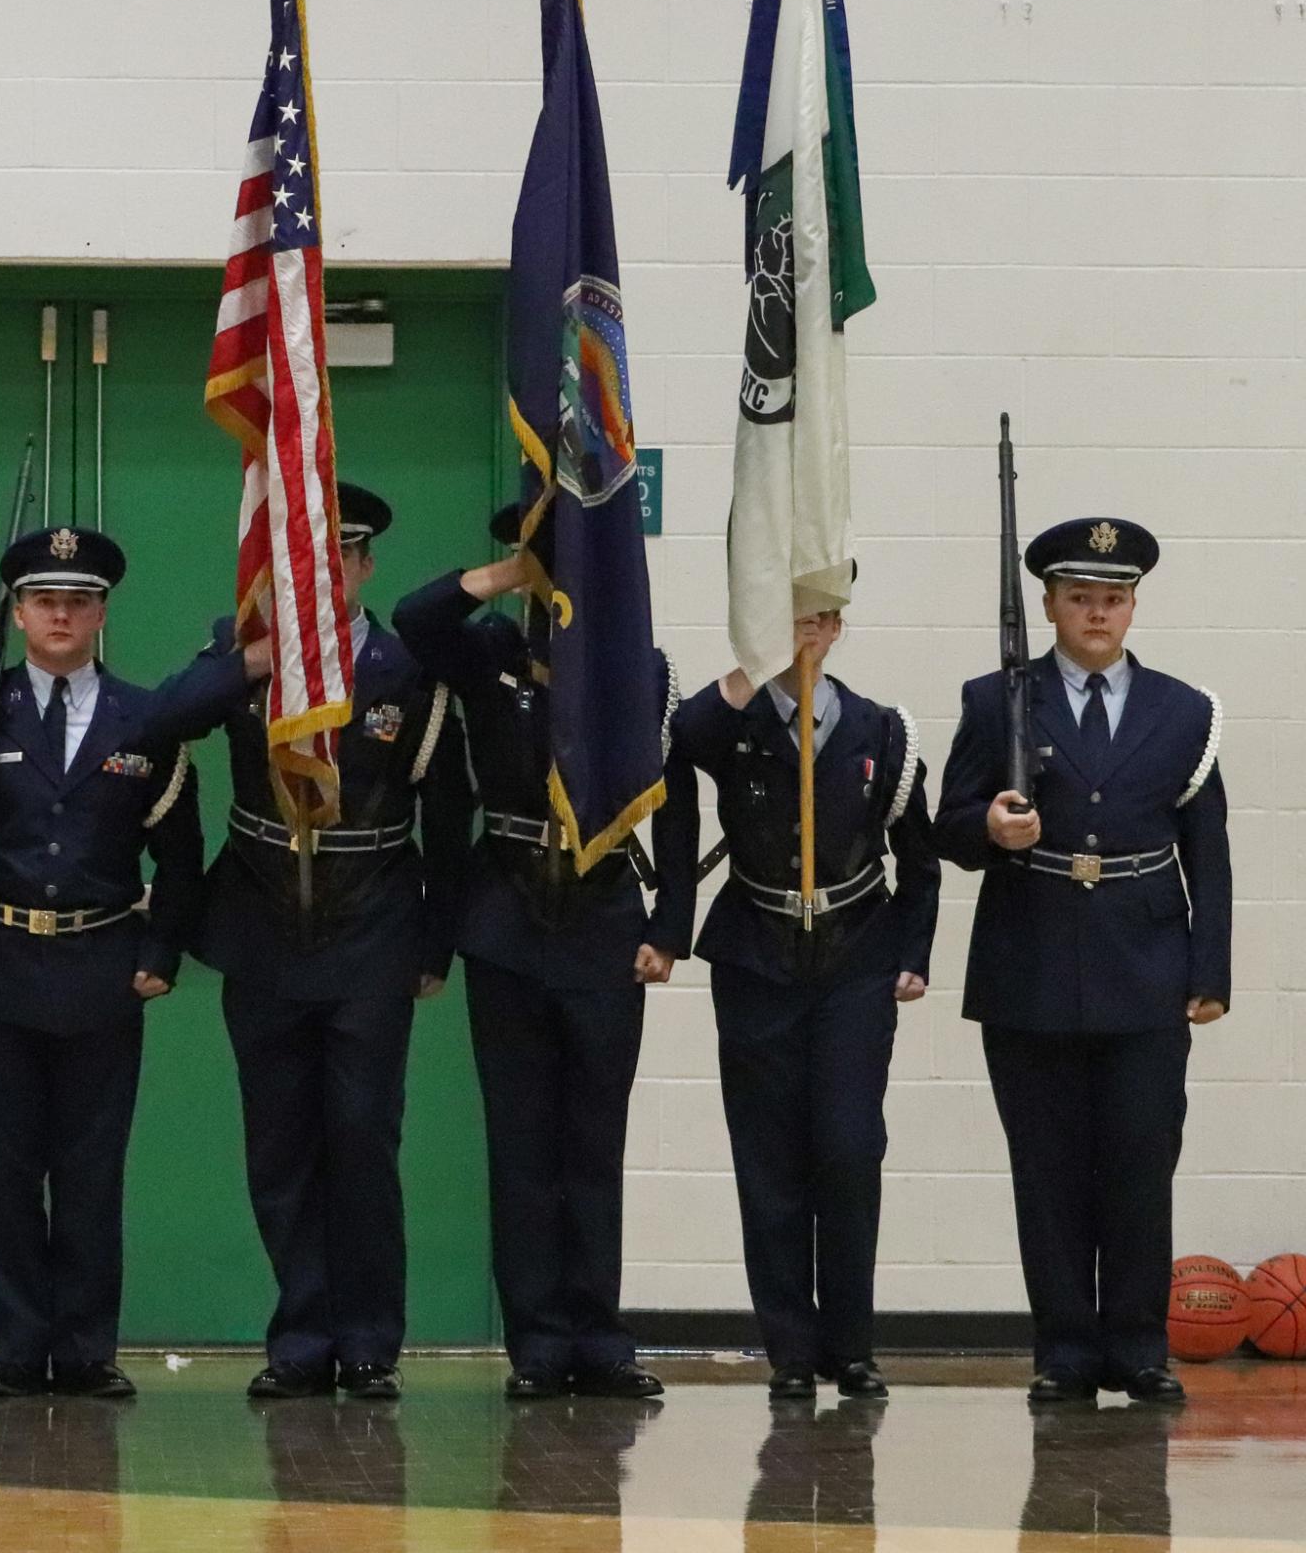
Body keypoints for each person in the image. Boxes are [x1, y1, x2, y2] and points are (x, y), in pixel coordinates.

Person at [137, 483, 471, 1402]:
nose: (325, 576)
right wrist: (253, 659)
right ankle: (299, 1338)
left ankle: (367, 1341)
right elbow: (161, 720)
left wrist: (434, 946)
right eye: (305, 563)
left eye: (343, 559)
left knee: (362, 1139)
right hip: (262, 925)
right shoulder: (239, 655)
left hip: (371, 929)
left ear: (364, 566)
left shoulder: (406, 675)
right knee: (280, 1146)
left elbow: (448, 822)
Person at [391, 502, 696, 1402]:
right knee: (522, 1147)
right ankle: (536, 1342)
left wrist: (668, 925)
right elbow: (415, 618)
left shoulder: (636, 669)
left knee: (593, 1145)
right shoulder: (488, 655)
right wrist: (503, 575)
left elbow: (669, 801)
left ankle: (598, 1337)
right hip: (508, 922)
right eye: (551, 554)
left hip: (604, 922)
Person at [932, 517, 1231, 1408]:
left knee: (1141, 1163)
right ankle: (1063, 1349)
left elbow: (1205, 849)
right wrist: (990, 827)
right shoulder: (997, 700)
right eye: (1078, 598)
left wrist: (1208, 972)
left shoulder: (1184, 711)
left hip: (1144, 966)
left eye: (1112, 598)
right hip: (1031, 961)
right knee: (1048, 1168)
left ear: (1133, 606)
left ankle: (1136, 1347)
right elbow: (944, 823)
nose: (1096, 614)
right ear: (1050, 605)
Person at [0, 525, 203, 1400]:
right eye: (44, 600)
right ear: (19, 613)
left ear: (102, 612)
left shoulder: (145, 719)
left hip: (103, 967)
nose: (61, 614)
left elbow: (180, 857)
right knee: (0, 1172)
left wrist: (162, 953)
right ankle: (17, 1347)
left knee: (90, 1172)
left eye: (78, 600)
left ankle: (83, 1349)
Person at [668, 603, 938, 1403]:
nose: (805, 632)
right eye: (789, 618)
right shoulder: (734, 722)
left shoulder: (883, 732)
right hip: (757, 956)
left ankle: (850, 1345)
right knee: (769, 1157)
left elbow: (917, 857)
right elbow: (677, 741)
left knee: (849, 1151)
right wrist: (755, 663)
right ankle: (788, 1348)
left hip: (855, 958)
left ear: (839, 625)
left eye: (819, 618)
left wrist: (913, 955)